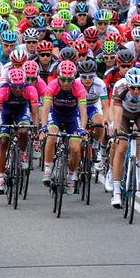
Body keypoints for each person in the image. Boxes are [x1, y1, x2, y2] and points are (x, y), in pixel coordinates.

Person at [108, 68, 140, 208]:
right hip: (124, 114)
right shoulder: (120, 88)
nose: (136, 91)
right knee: (121, 147)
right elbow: (117, 112)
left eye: (139, 88)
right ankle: (116, 191)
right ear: (128, 85)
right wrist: (116, 131)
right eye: (133, 88)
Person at [39, 60, 88, 195]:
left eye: (69, 80)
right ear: (58, 77)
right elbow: (46, 107)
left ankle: (71, 176)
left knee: (76, 148)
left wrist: (82, 129)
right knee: (51, 137)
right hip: (56, 115)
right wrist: (43, 127)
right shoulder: (53, 85)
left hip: (72, 117)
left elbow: (83, 111)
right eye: (63, 79)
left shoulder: (79, 87)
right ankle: (48, 169)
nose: (66, 83)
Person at [0, 68, 40, 194]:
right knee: (3, 141)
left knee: (24, 131)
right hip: (6, 113)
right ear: (9, 84)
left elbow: (35, 113)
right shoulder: (3, 90)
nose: (18, 90)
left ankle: (23, 153)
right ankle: (0, 178)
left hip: (22, 112)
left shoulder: (30, 89)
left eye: (20, 86)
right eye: (14, 87)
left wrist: (35, 128)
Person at [76, 59, 109, 168]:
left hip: (94, 106)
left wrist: (105, 119)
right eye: (84, 77)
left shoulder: (100, 84)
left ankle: (95, 145)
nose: (87, 79)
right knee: (78, 128)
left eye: (91, 76)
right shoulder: (75, 83)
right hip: (79, 107)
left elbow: (105, 106)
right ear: (80, 75)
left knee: (99, 123)